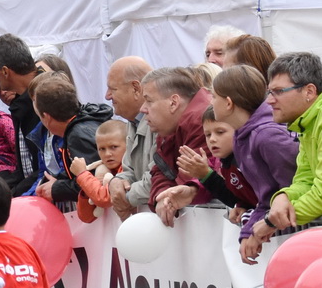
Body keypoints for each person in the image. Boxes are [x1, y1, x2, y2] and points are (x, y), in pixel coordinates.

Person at [206, 66, 300, 263]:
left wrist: (259, 228)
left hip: (301, 235)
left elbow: (293, 190)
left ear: (228, 103)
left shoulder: (267, 136)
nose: (210, 102)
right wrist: (249, 231)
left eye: (214, 96)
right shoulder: (243, 135)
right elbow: (266, 197)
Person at [263, 52, 322, 233]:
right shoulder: (308, 117)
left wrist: (271, 223)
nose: (269, 100)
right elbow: (306, 180)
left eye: (278, 92)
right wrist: (283, 197)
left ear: (309, 91)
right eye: (269, 92)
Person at [142, 67, 214, 225]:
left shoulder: (201, 121)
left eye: (149, 100)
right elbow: (161, 171)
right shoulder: (171, 126)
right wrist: (162, 195)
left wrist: (167, 198)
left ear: (173, 102)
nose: (143, 109)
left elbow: (189, 183)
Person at [31, 75, 114, 209]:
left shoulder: (77, 135)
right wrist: (58, 180)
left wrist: (57, 189)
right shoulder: (84, 121)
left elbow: (93, 182)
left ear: (46, 117)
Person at [0, 35, 42, 194]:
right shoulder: (21, 104)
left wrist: (14, 195)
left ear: (4, 71)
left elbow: (49, 165)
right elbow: (25, 167)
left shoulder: (44, 96)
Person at [103, 57, 154, 219]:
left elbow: (156, 180)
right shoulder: (134, 121)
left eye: (113, 89)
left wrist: (124, 197)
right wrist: (115, 183)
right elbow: (128, 171)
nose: (107, 96)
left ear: (136, 88)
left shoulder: (160, 123)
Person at [69, 119, 128, 224]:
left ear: (128, 144)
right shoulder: (101, 171)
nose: (107, 154)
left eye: (114, 147)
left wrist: (82, 175)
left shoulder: (128, 169)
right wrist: (87, 189)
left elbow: (103, 199)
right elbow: (86, 217)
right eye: (102, 149)